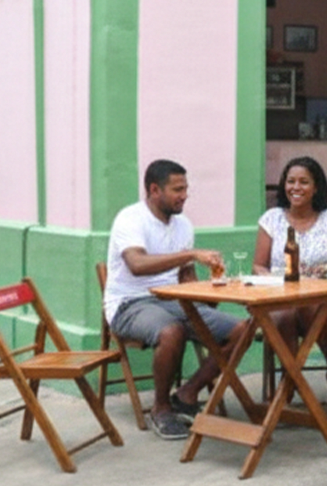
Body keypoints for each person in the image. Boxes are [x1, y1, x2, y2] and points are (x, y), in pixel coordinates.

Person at [103, 159, 251, 440]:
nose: (184, 195)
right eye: (177, 189)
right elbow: (136, 264)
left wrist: (210, 290)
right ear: (154, 190)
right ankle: (160, 409)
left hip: (173, 302)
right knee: (172, 331)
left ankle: (187, 393)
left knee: (244, 329)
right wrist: (189, 254)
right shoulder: (130, 219)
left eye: (186, 188)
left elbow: (186, 280)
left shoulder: (183, 225)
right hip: (130, 304)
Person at [253, 156, 327, 409]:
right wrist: (268, 278)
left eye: (303, 182)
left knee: (311, 306)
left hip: (325, 296)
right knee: (287, 314)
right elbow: (258, 265)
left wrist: (322, 268)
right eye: (290, 181)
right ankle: (291, 377)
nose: (295, 188)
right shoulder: (272, 219)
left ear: (316, 187)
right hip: (282, 296)